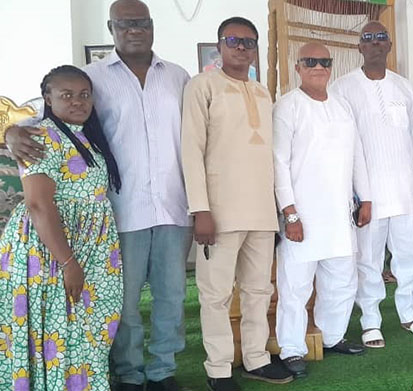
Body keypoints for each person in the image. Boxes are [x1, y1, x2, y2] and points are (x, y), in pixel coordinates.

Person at [6, 1, 193, 389]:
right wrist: (11, 133)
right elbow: (42, 113)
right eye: (124, 24)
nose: (134, 30)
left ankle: (162, 371)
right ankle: (127, 373)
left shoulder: (178, 76)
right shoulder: (92, 77)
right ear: (112, 29)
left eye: (141, 22)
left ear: (152, 26)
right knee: (120, 303)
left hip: (173, 205)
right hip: (121, 211)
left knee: (172, 297)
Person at [181, 17, 293, 390]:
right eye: (234, 40)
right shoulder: (202, 86)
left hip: (262, 213)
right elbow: (191, 151)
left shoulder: (262, 93)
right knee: (216, 296)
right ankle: (219, 368)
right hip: (219, 214)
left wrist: (279, 208)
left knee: (259, 291)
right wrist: (201, 209)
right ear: (220, 45)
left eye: (248, 42)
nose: (241, 47)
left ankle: (257, 358)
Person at [0, 65, 123, 391]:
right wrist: (68, 263)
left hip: (88, 247)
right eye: (66, 95)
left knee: (86, 331)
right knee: (60, 331)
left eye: (84, 95)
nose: (78, 102)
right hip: (52, 251)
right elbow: (39, 204)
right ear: (47, 98)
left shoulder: (86, 136)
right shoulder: (37, 137)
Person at [331, 21, 413, 348]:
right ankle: (371, 321)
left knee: (409, 256)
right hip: (368, 195)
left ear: (389, 45)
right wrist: (355, 195)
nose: (375, 44)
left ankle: (410, 314)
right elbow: (342, 146)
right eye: (368, 39)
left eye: (381, 38)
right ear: (359, 47)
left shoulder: (405, 87)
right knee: (369, 260)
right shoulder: (342, 88)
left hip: (403, 190)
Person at [273, 42, 371, 378]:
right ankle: (292, 349)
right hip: (302, 215)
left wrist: (366, 198)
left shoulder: (342, 106)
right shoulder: (287, 106)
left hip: (340, 214)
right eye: (310, 62)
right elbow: (279, 163)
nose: (318, 67)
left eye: (324, 62)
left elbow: (357, 156)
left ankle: (332, 336)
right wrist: (290, 212)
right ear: (298, 67)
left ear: (331, 67)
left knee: (343, 281)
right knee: (295, 287)